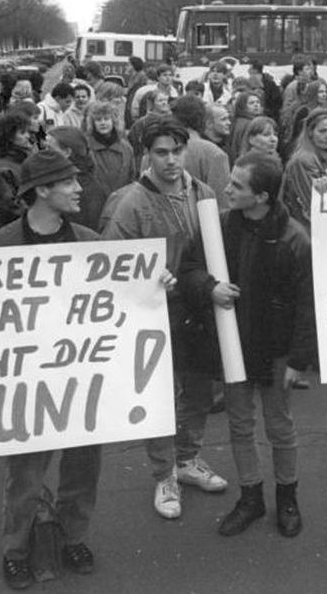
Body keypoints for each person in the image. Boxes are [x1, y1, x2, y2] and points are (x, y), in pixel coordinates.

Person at [0, 150, 104, 588]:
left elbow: (122, 300)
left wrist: (156, 285)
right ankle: (16, 549)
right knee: (25, 474)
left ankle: (73, 536)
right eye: (69, 183)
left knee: (83, 468)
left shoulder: (91, 242)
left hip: (81, 381)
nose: (80, 189)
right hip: (25, 382)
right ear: (42, 190)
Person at [180, 151, 315, 538]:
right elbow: (187, 270)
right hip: (233, 345)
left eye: (237, 185)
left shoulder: (295, 238)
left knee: (279, 426)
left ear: (262, 197)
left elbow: (309, 303)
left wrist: (299, 360)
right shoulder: (218, 227)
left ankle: (287, 498)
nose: (226, 188)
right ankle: (251, 498)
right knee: (240, 424)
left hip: (277, 351)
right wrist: (210, 288)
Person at [101, 116, 228, 522]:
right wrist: (148, 279)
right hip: (153, 313)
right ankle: (164, 474)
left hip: (199, 309)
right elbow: (111, 266)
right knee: (158, 397)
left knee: (199, 391)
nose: (171, 160)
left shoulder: (203, 191)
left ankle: (188, 459)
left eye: (177, 151)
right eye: (161, 153)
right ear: (146, 154)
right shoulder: (129, 203)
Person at [280, 108, 327, 231]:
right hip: (308, 228)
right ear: (310, 132)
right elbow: (310, 201)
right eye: (322, 131)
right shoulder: (302, 160)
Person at [0, 112, 34, 229]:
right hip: (13, 227)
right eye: (22, 133)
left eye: (28, 132)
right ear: (10, 137)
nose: (28, 136)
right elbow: (11, 206)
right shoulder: (2, 168)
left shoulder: (26, 159)